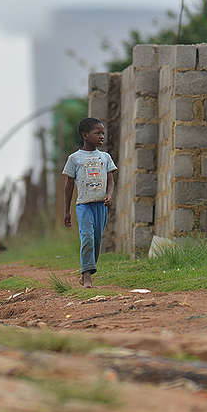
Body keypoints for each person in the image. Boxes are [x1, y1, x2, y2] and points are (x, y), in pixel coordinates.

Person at [62, 118, 117, 288]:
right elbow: (69, 185)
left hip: (101, 206)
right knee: (87, 238)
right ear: (85, 135)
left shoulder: (105, 157)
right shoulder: (74, 159)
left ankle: (88, 270)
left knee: (97, 240)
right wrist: (67, 211)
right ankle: (86, 275)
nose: (102, 136)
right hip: (84, 205)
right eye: (97, 133)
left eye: (103, 133)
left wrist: (109, 195)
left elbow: (111, 181)